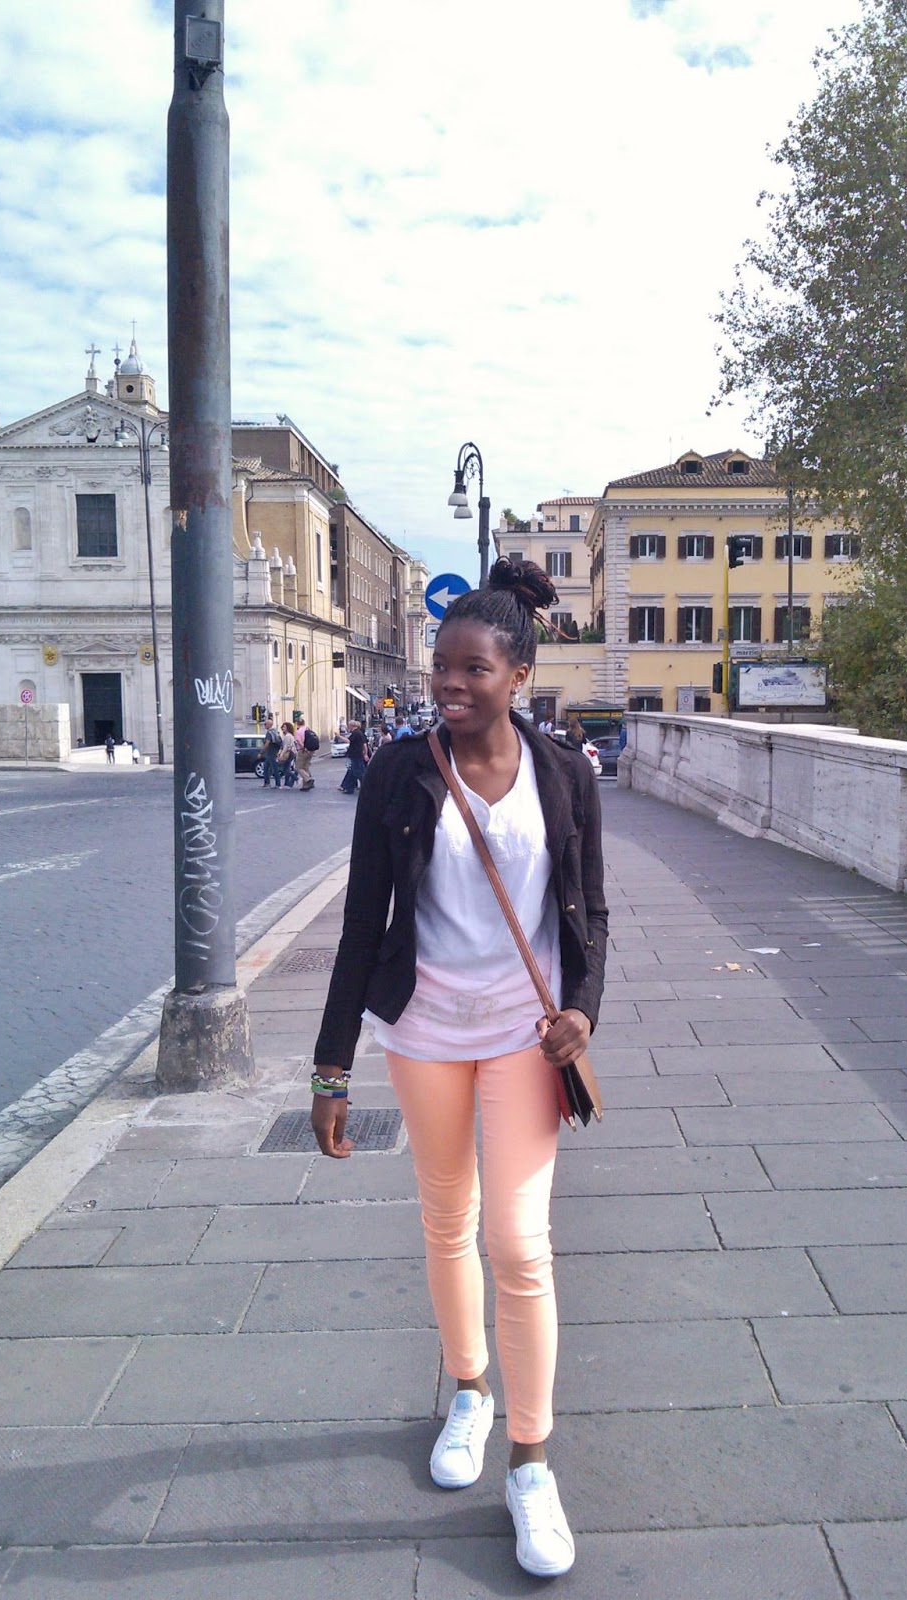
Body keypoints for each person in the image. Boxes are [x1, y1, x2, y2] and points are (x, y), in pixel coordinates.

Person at [311, 558, 608, 1579]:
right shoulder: (401, 772)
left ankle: (531, 1460)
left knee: (519, 1245)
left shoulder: (565, 773)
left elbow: (590, 912)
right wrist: (331, 1069)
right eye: (442, 666)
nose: (450, 683)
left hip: (526, 1035)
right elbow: (362, 924)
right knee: (448, 1220)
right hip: (425, 1030)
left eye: (474, 669)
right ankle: (469, 1390)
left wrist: (581, 1010)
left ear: (519, 675)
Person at [338, 720, 368, 794]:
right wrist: (365, 754)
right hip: (357, 755)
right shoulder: (359, 733)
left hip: (356, 755)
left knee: (356, 772)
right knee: (354, 772)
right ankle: (349, 788)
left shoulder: (356, 733)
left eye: (349, 726)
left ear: (351, 726)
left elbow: (348, 741)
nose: (348, 727)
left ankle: (364, 786)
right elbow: (364, 744)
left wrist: (339, 736)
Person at [293, 715, 315, 792]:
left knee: (298, 767)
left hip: (303, 751)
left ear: (297, 724)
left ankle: (308, 779)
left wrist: (304, 749)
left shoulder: (298, 731)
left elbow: (299, 741)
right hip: (311, 750)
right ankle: (305, 785)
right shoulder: (308, 730)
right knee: (305, 768)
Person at [260, 715, 284, 787]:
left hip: (270, 752)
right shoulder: (275, 732)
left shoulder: (269, 733)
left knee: (274, 768)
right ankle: (267, 782)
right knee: (266, 767)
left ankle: (277, 784)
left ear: (269, 725)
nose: (264, 725)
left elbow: (267, 743)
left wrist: (261, 752)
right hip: (274, 751)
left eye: (265, 724)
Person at [276, 721, 299, 787]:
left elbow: (286, 746)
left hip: (289, 753)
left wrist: (281, 754)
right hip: (292, 752)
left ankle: (297, 779)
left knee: (285, 769)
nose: (283, 728)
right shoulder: (289, 736)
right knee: (287, 768)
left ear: (288, 728)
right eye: (282, 727)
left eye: (284, 727)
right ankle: (287, 784)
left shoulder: (288, 736)